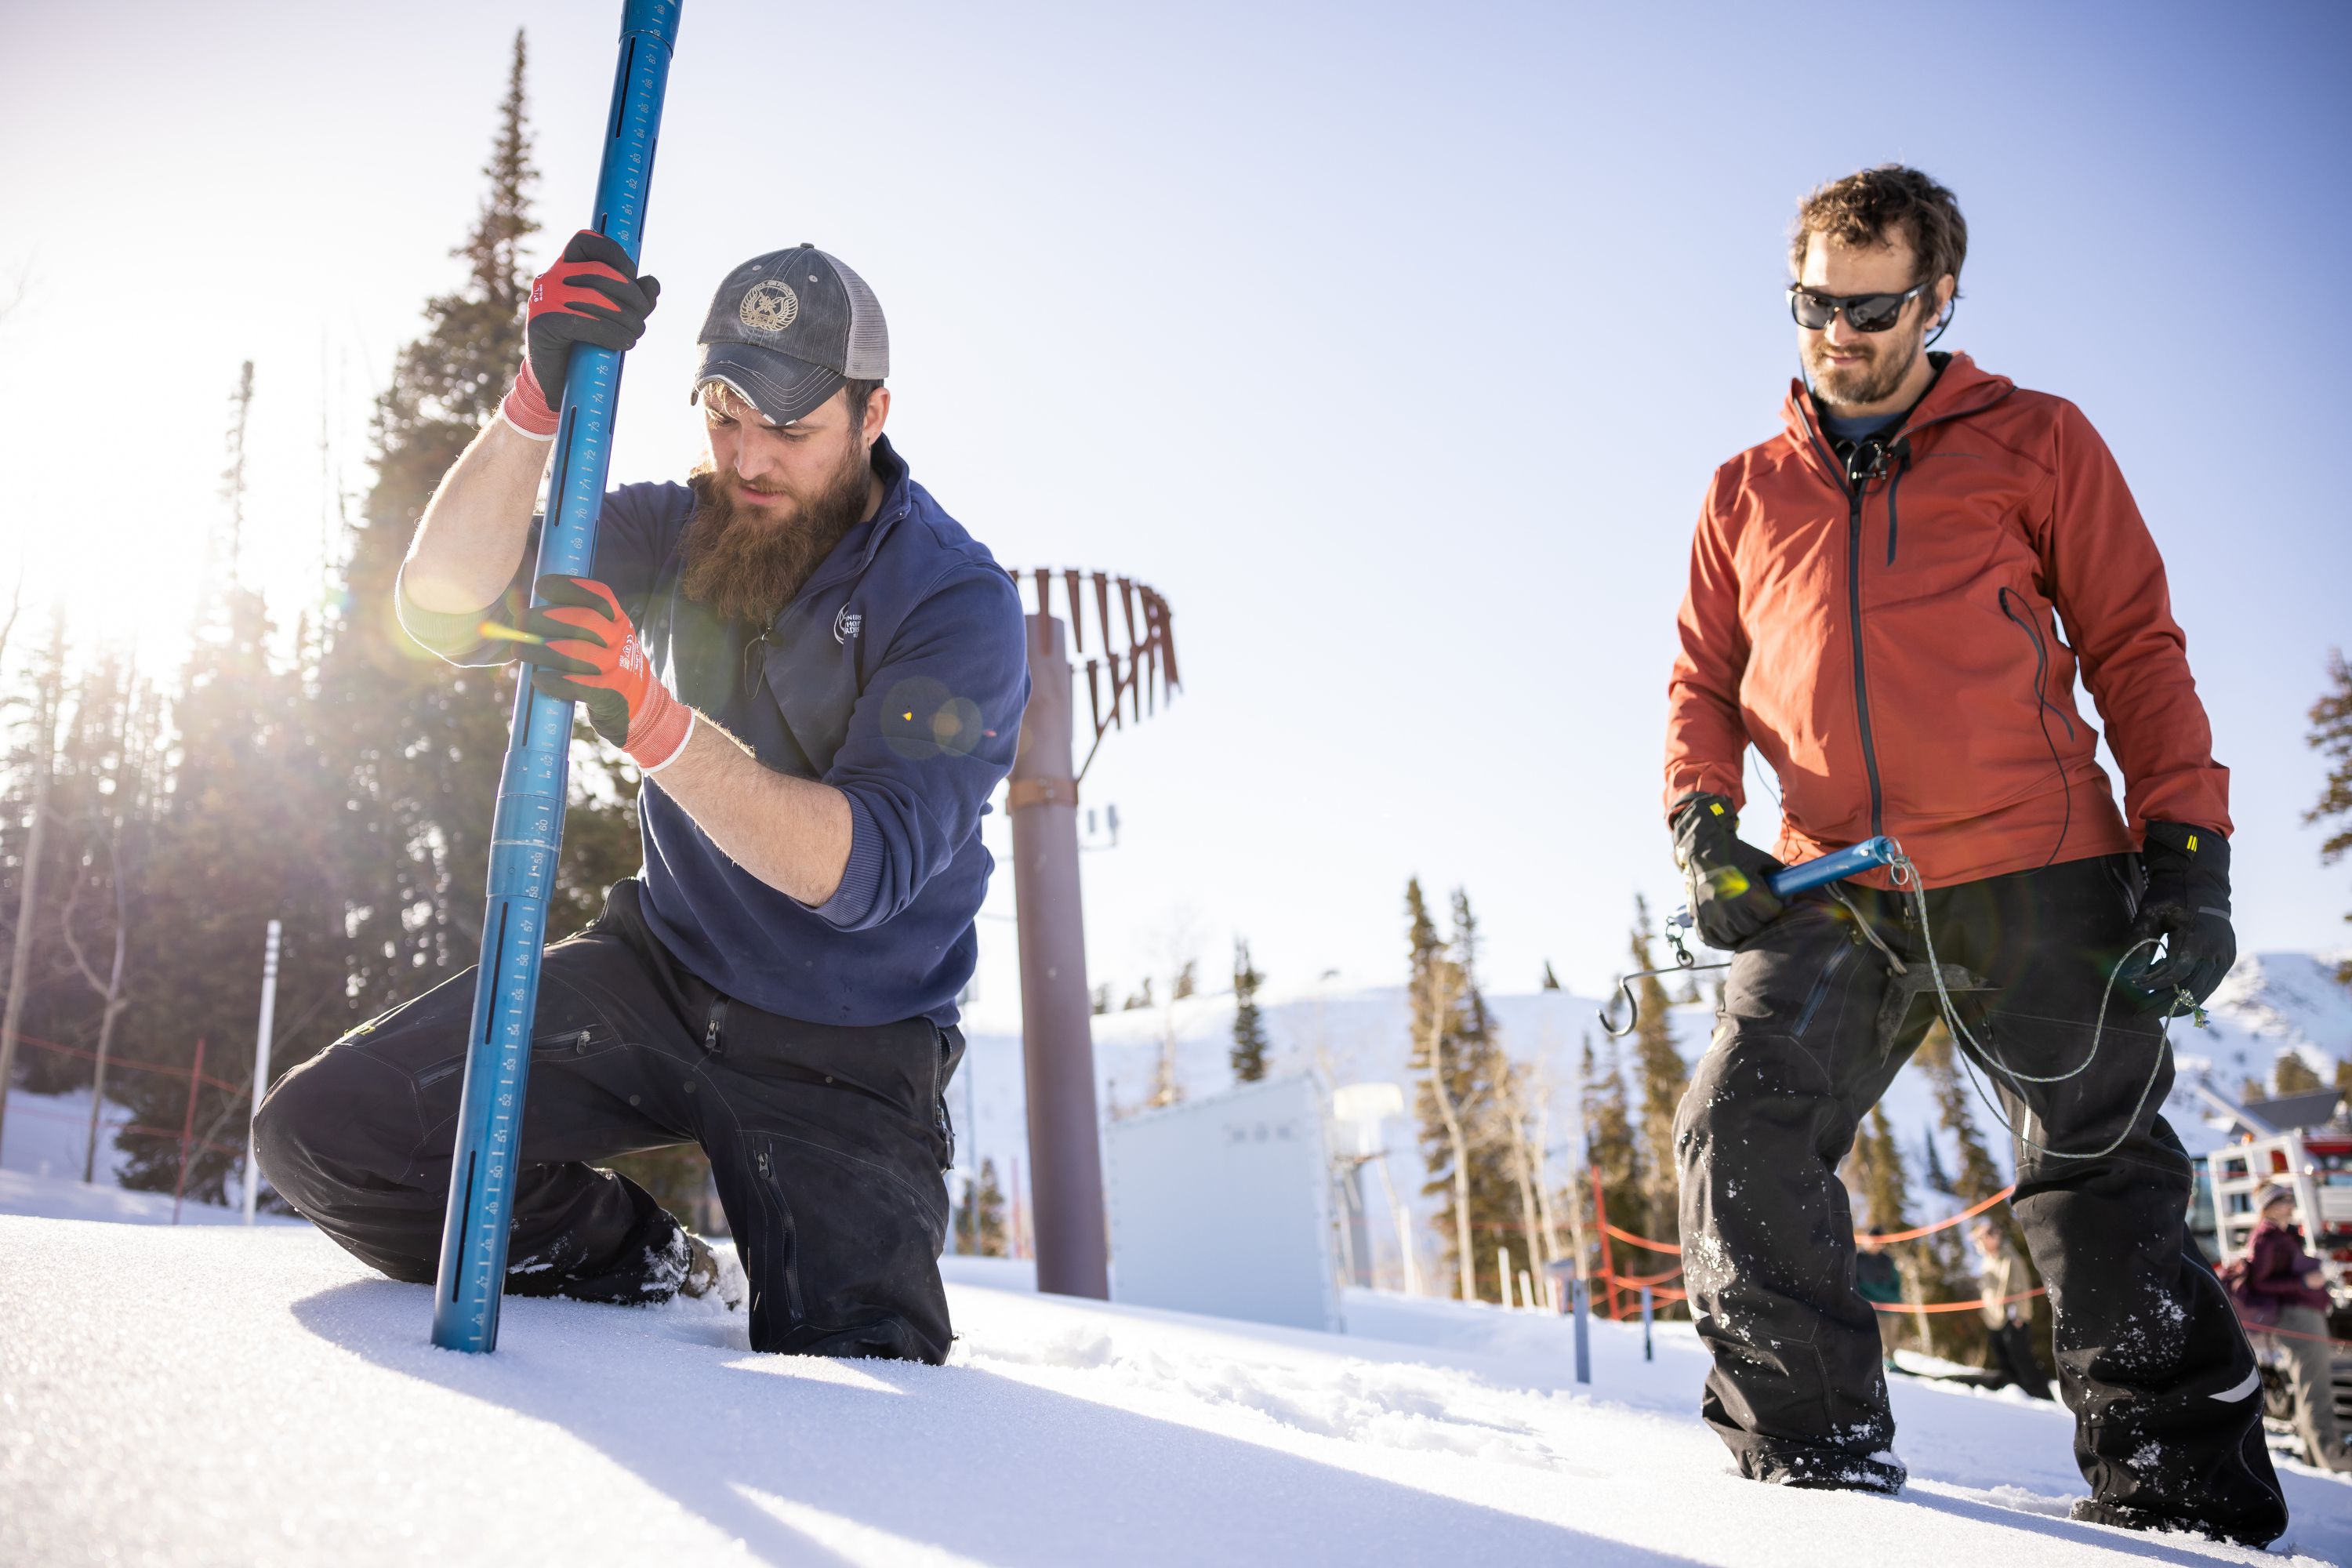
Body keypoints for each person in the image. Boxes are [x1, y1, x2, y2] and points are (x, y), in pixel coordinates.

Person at [256, 234, 1028, 1365]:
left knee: (862, 1378)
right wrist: (535, 396)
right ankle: (647, 1268)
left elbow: (855, 870)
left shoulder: (956, 602)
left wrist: (648, 717)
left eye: (793, 430)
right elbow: (440, 609)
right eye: (725, 416)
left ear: (873, 416)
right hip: (660, 977)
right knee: (330, 1136)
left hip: (848, 1044)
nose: (751, 459)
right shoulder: (681, 526)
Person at [1661, 165, 2284, 1544]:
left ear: (1939, 299)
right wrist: (1705, 823)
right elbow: (1702, 684)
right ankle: (1809, 1462)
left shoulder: (2040, 442)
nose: (1839, 333)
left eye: (1872, 307)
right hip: (1834, 879)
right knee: (1741, 1125)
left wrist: (2190, 846)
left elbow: (2135, 647)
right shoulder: (1744, 492)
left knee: (2096, 1167)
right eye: (1814, 302)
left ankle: (2183, 1489)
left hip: (2034, 867)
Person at [2235, 1182, 2350, 1471]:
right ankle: (2332, 1457)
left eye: (2289, 1198)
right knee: (2315, 1387)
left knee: (2309, 1386)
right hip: (2297, 1318)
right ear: (2268, 1206)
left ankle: (2317, 1455)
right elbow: (2259, 1283)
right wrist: (2302, 1282)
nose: (2290, 1203)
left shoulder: (2281, 1235)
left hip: (2303, 1315)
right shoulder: (2266, 1237)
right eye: (2282, 1199)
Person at [1969, 1216, 2052, 1400]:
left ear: (1993, 1237)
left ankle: (2042, 1396)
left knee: (2022, 1359)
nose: (1979, 1244)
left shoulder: (2011, 1259)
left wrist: (2019, 1316)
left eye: (1981, 1239)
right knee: (2005, 1361)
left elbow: (2021, 1288)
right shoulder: (1987, 1261)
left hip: (2012, 1320)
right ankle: (2020, 1394)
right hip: (1994, 1319)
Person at [1851, 1233, 1904, 1368]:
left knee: (1891, 1338)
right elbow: (1853, 1282)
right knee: (1873, 1337)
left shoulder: (1887, 1260)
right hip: (1869, 1306)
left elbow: (1896, 1282)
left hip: (1889, 1307)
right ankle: (1871, 1364)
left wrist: (1896, 1301)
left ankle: (1890, 1364)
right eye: (1874, 1241)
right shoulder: (1858, 1258)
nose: (1876, 1245)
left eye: (1880, 1242)